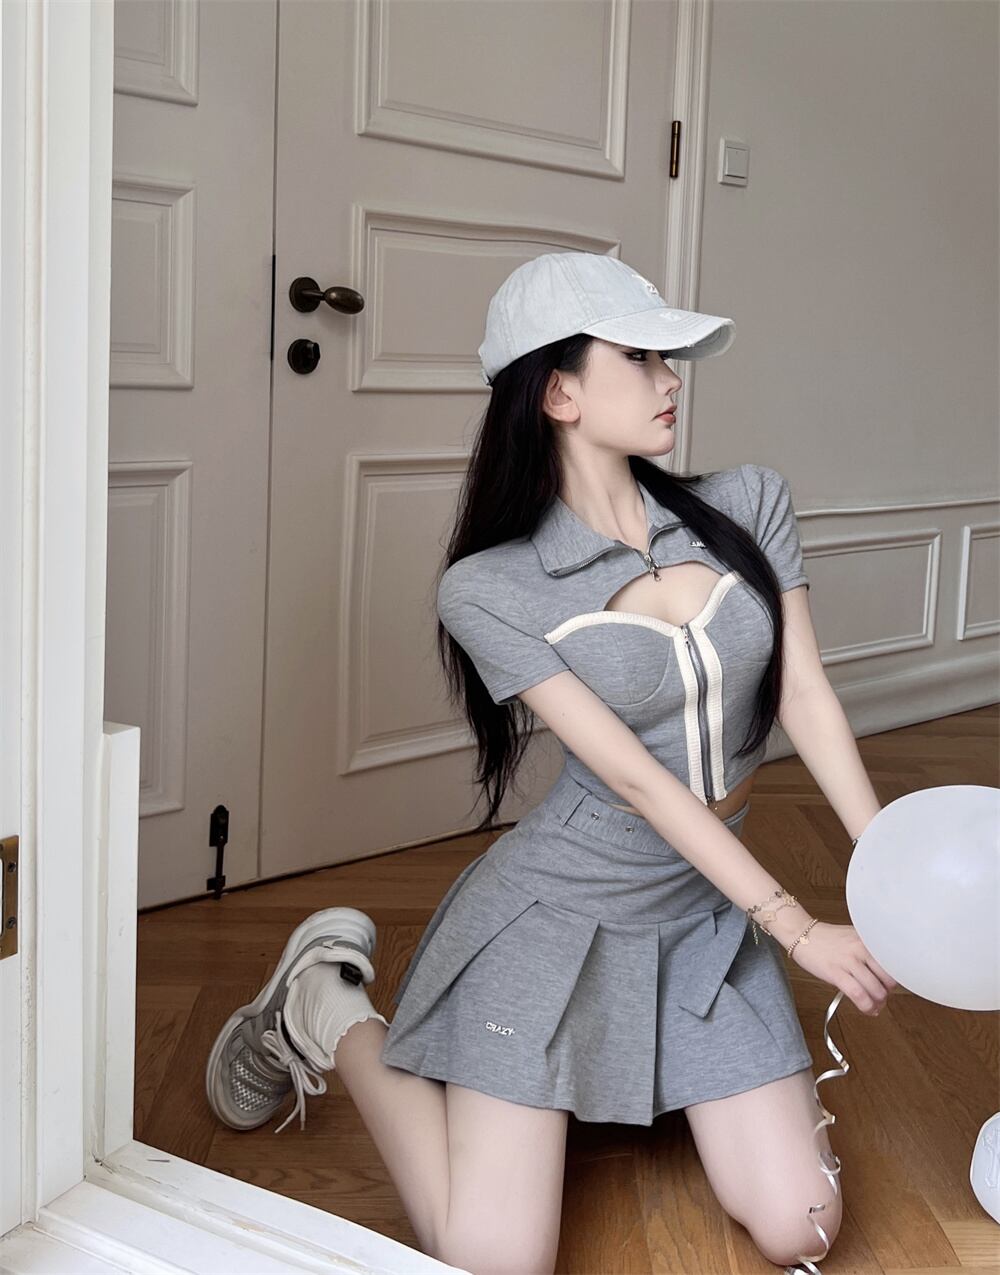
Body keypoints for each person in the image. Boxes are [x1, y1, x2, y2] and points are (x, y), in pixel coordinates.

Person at [205, 252, 897, 1275]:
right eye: (640, 357)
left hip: (705, 914)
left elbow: (804, 695)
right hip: (562, 915)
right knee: (497, 1259)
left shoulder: (748, 503)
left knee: (804, 1226)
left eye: (669, 358)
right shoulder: (492, 588)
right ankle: (323, 1006)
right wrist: (796, 927)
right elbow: (636, 779)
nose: (670, 379)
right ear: (559, 392)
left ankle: (645, 1068)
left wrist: (890, 870)